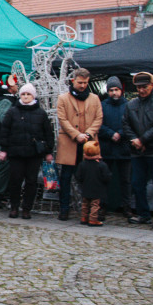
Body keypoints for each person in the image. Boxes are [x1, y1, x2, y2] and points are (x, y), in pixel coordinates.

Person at [120, 71, 153, 230]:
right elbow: (126, 125)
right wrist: (135, 140)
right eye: (139, 87)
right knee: (137, 184)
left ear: (152, 86)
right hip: (138, 151)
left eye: (144, 87)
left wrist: (142, 140)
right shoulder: (131, 104)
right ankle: (143, 213)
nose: (141, 90)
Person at [0, 83, 53, 219]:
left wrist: (48, 151)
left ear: (33, 96)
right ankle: (15, 207)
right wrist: (3, 149)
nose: (26, 96)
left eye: (28, 94)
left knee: (31, 181)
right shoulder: (12, 112)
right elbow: (5, 131)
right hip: (16, 152)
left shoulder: (41, 113)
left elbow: (48, 134)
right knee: (15, 180)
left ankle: (27, 208)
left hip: (34, 154)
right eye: (23, 94)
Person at [55, 68, 103, 221]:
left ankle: (88, 211)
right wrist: (76, 135)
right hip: (70, 143)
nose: (82, 86)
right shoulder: (63, 98)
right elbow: (62, 120)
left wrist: (88, 134)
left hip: (88, 144)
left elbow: (99, 118)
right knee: (66, 178)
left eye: (85, 83)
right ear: (73, 81)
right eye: (80, 82)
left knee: (89, 178)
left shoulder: (94, 98)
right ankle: (64, 209)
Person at [98, 76, 133, 218]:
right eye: (111, 90)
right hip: (107, 148)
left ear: (121, 90)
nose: (114, 93)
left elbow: (132, 124)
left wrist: (120, 133)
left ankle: (127, 206)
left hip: (124, 148)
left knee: (126, 180)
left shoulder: (129, 105)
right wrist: (110, 133)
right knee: (104, 179)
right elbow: (97, 124)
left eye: (116, 90)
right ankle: (103, 206)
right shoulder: (102, 105)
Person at [0, 76, 18, 209]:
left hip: (5, 138)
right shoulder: (5, 101)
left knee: (6, 166)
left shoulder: (5, 99)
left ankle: (2, 194)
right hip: (4, 139)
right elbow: (6, 121)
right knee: (4, 166)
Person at [75, 140, 111, 227]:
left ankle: (84, 217)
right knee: (95, 204)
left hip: (85, 187)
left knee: (85, 203)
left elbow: (78, 176)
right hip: (97, 188)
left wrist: (81, 182)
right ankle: (93, 219)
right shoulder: (101, 165)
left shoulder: (82, 164)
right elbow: (106, 176)